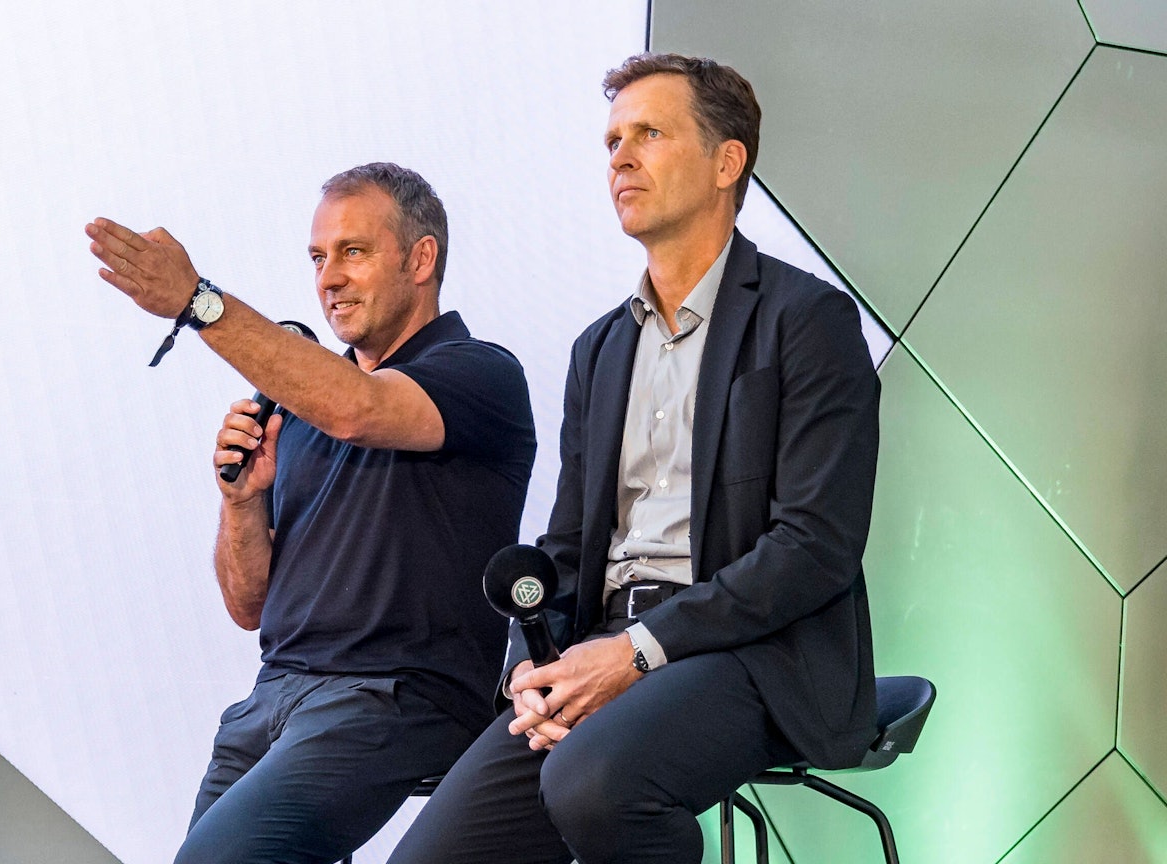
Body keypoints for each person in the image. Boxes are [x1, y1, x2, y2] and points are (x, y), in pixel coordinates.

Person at [388, 53, 880, 864]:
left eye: (649, 133)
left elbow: (814, 546)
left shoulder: (807, 319)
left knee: (594, 783)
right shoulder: (602, 347)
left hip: (750, 650)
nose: (620, 155)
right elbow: (566, 546)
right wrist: (530, 668)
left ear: (728, 162)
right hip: (601, 646)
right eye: (613, 138)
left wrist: (640, 651)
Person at [85, 163, 536, 864]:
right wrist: (241, 502)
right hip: (273, 699)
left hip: (394, 697)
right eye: (318, 258)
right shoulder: (302, 410)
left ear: (422, 259)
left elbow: (359, 410)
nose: (328, 277)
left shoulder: (478, 372)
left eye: (353, 252)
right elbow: (249, 605)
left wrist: (200, 303)